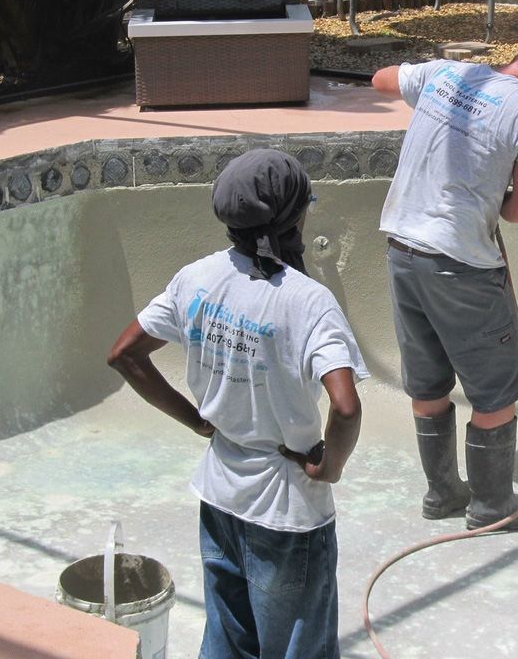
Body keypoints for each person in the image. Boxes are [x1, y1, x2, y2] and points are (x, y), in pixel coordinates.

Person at [107, 149, 366, 659]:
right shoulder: (308, 301)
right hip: (287, 511)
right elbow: (347, 405)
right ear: (294, 216)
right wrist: (328, 466)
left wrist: (197, 421)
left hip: (219, 494)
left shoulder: (196, 279)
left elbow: (124, 355)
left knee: (228, 639)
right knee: (297, 646)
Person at [371, 44, 518, 531]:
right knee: (494, 391)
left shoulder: (446, 73)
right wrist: (492, 196)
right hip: (459, 265)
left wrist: (433, 91)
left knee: (428, 383)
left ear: (512, 64)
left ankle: (441, 494)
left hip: (402, 250)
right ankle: (491, 507)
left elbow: (380, 78)